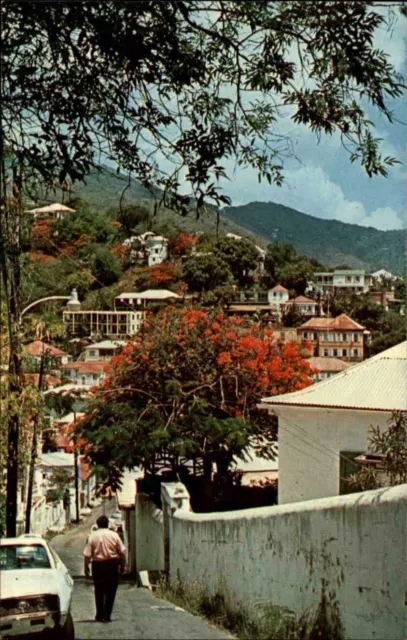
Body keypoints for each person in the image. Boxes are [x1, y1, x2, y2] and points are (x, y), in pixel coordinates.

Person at [83, 514, 126, 623]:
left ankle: (99, 614)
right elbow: (122, 552)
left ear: (97, 525)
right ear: (107, 524)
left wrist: (86, 567)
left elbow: (87, 555)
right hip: (112, 564)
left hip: (98, 565)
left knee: (99, 590)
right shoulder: (114, 535)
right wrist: (122, 565)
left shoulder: (92, 536)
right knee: (111, 590)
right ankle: (107, 615)